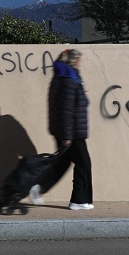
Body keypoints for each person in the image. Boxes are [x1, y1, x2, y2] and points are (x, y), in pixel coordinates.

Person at [29, 48, 94, 210]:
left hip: (70, 130)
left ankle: (39, 187)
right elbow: (66, 110)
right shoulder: (68, 79)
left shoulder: (64, 76)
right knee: (84, 163)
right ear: (74, 61)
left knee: (63, 163)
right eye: (80, 61)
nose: (81, 63)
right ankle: (78, 201)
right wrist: (67, 136)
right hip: (72, 132)